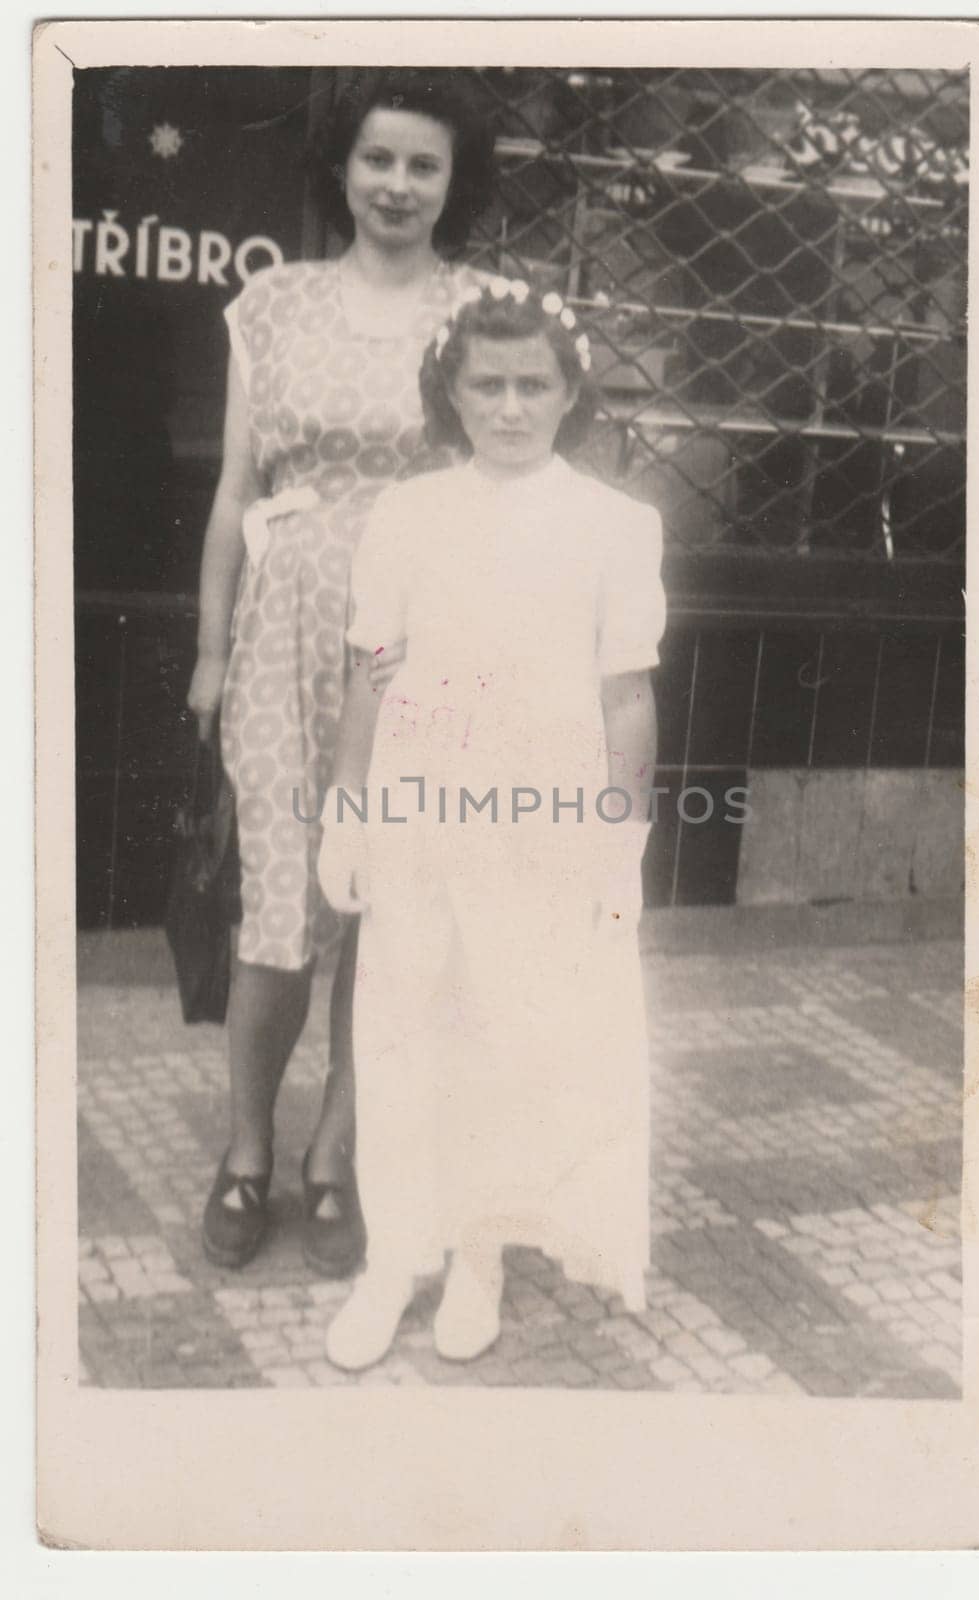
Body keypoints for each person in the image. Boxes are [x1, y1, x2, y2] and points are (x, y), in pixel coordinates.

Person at [316, 278, 666, 1369]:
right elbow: (371, 672)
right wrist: (348, 806)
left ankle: (477, 1255)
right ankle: (391, 1261)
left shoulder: (615, 525)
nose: (509, 406)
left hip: (543, 824)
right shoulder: (408, 514)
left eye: (532, 384)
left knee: (506, 1036)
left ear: (569, 395)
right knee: (399, 1028)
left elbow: (624, 696)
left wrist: (620, 841)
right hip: (423, 808)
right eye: (487, 385)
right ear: (451, 394)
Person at [185, 69, 495, 1276]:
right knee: (276, 911)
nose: (398, 186)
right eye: (378, 160)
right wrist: (210, 651)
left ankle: (336, 1156)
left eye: (423, 165)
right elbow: (231, 493)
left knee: (394, 904)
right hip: (285, 631)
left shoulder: (484, 309)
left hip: (430, 632)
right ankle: (247, 1149)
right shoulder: (271, 304)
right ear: (342, 169)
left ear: (452, 182)